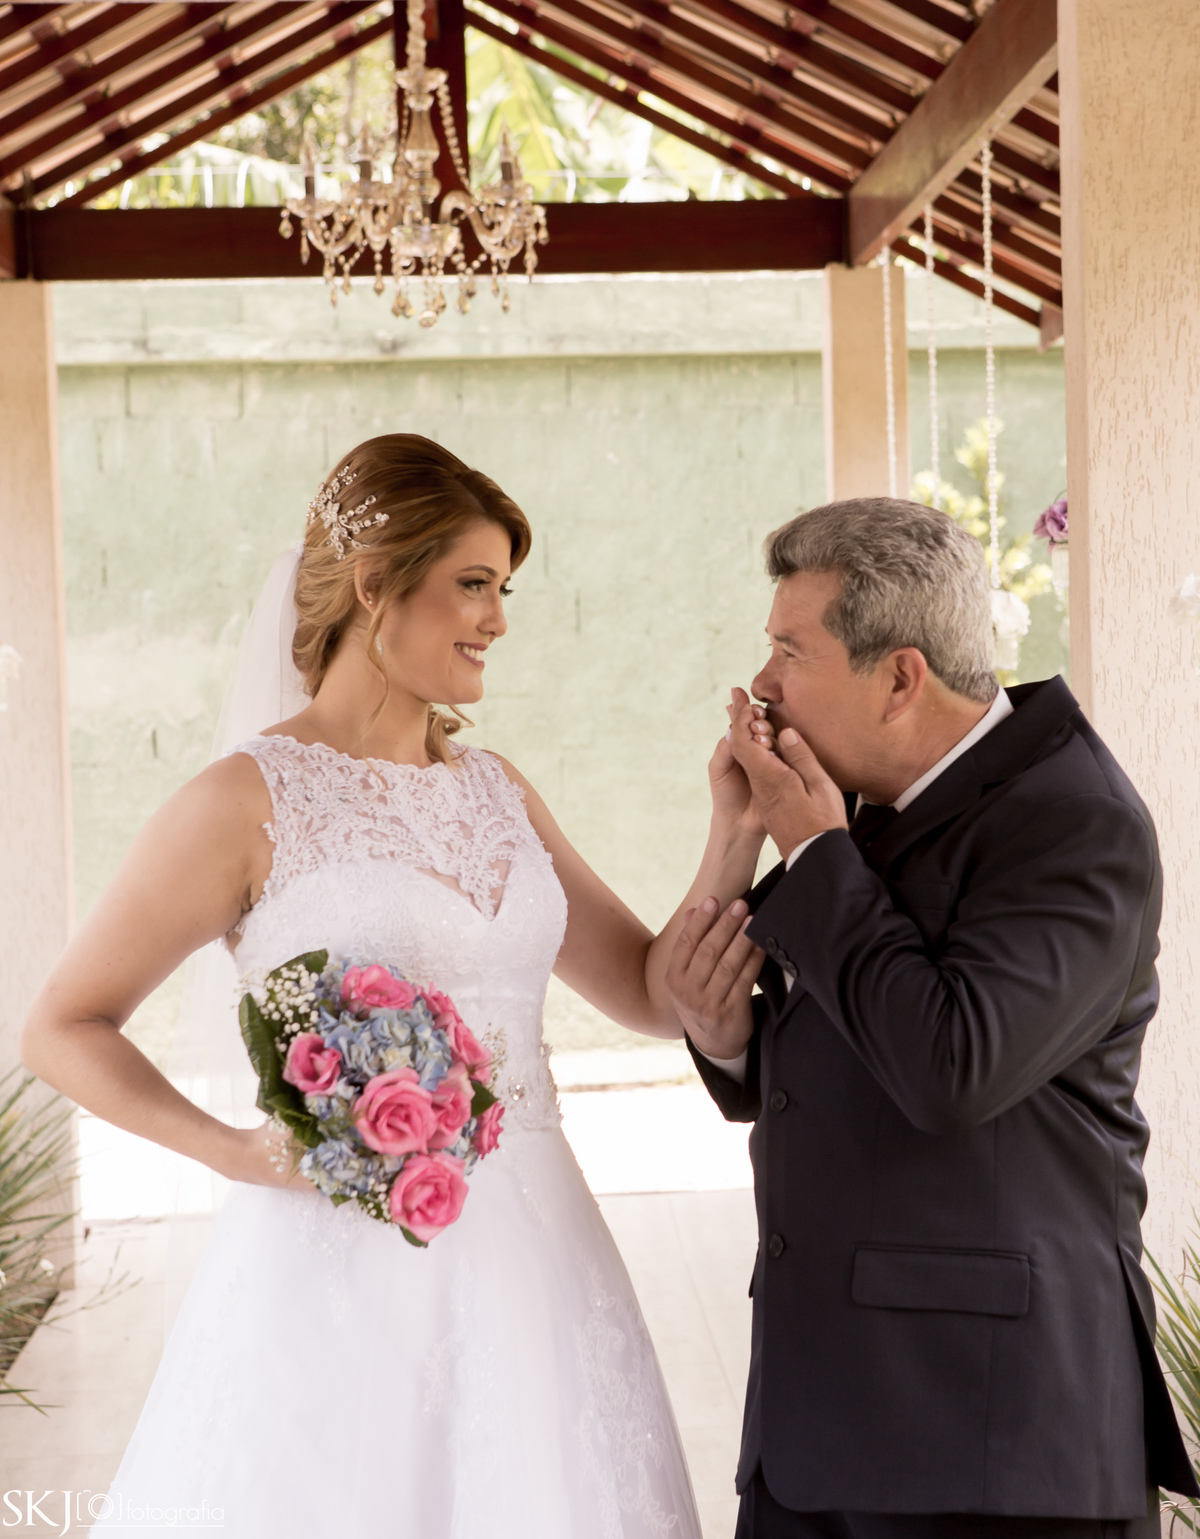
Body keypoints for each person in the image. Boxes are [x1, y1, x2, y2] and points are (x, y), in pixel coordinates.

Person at [21, 433, 756, 1538]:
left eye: (503, 590)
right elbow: (62, 1026)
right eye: (472, 585)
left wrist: (732, 832)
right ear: (375, 586)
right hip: (338, 1273)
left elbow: (651, 993)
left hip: (540, 1262)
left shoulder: (498, 788)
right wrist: (235, 1152)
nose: (499, 619)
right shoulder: (245, 799)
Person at [666, 497, 1199, 1538]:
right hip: (813, 1436)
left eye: (790, 649)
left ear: (900, 676)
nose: (763, 684)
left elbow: (953, 1067)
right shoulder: (861, 807)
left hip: (990, 1448)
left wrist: (815, 855)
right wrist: (730, 1038)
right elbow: (841, 1041)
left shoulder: (1078, 821)